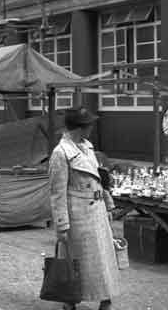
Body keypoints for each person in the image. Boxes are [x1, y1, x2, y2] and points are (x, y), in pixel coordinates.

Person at [48, 107, 120, 310]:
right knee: (78, 262)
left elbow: (100, 178)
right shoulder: (60, 153)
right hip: (78, 215)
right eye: (89, 124)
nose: (92, 128)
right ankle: (69, 299)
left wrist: (108, 204)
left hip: (97, 211)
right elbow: (57, 192)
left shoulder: (87, 146)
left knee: (103, 260)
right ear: (80, 127)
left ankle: (106, 299)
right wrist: (61, 225)